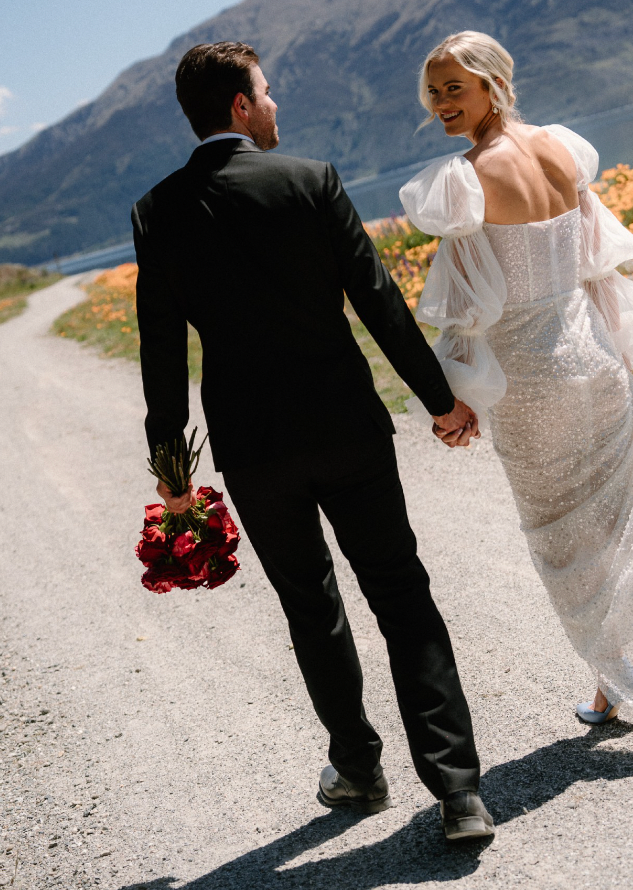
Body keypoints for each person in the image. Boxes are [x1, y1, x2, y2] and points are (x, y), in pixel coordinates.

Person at [131, 41, 494, 841]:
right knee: (400, 592)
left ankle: (359, 771)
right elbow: (378, 301)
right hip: (345, 427)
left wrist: (174, 475)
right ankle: (460, 791)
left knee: (310, 607)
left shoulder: (155, 213)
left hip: (254, 450)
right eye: (265, 93)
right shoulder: (309, 179)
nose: (274, 105)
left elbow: (162, 353)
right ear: (239, 106)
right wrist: (441, 402)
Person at [403, 31, 633, 744]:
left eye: (455, 87)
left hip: (532, 382)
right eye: (434, 90)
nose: (441, 103)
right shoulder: (565, 149)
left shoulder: (465, 180)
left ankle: (618, 677)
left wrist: (457, 398)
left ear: (491, 85)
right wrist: (619, 351)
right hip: (598, 362)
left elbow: (468, 309)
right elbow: (599, 264)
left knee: (570, 547)